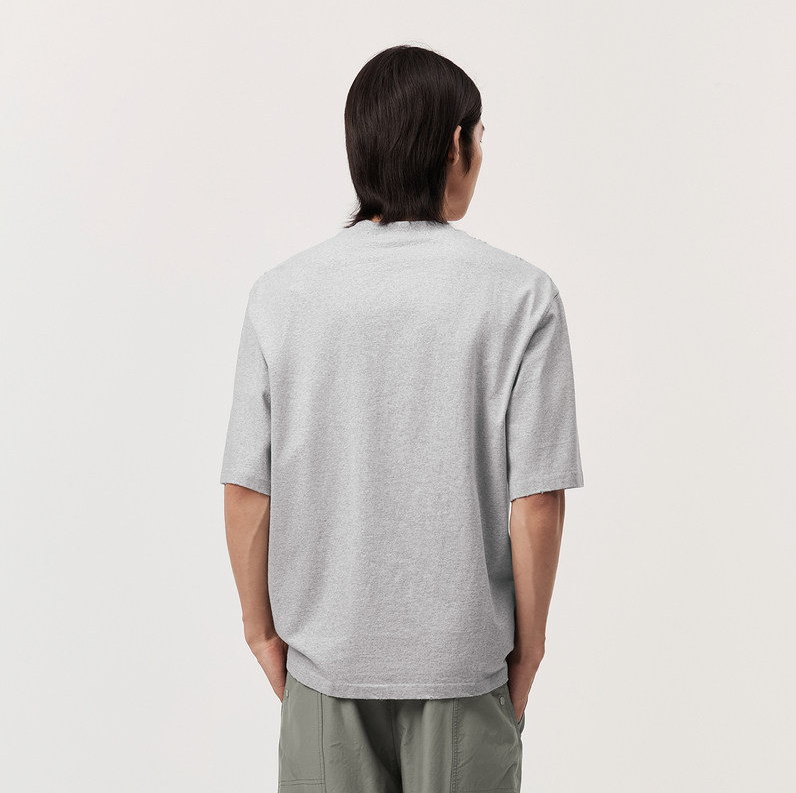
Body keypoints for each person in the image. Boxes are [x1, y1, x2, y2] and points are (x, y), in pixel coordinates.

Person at [219, 44, 584, 793]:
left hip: (325, 668)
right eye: (477, 137)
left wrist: (261, 632)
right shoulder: (521, 296)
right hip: (464, 672)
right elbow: (537, 503)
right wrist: (529, 652)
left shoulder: (281, 296)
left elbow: (248, 491)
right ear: (454, 144)